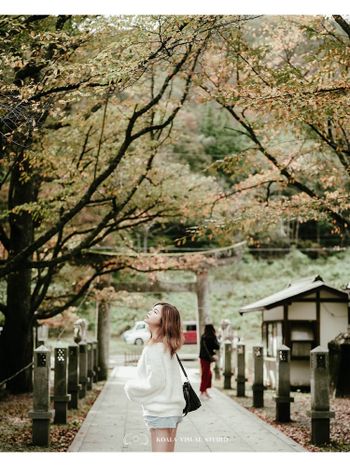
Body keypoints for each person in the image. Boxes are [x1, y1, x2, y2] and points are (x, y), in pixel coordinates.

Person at [124, 302, 186, 452]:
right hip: (172, 410)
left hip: (160, 411)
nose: (150, 312)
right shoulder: (167, 346)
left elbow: (155, 383)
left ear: (163, 321)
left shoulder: (154, 348)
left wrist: (130, 388)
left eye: (156, 312)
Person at [199, 323, 220, 400]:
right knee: (206, 374)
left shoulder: (204, 337)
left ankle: (205, 391)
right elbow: (217, 346)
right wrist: (215, 337)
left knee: (208, 374)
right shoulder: (210, 337)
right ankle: (202, 392)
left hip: (204, 358)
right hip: (206, 358)